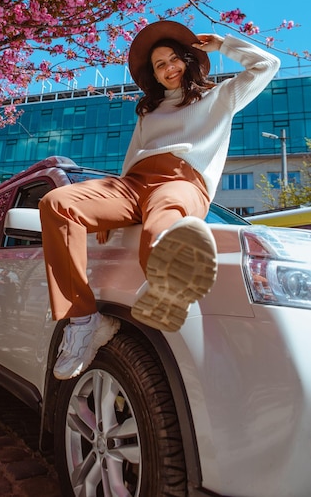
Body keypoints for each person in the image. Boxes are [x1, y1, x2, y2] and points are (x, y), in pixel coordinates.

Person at [39, 20, 280, 380]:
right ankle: (85, 319)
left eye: (173, 60)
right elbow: (133, 156)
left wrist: (223, 44)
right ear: (153, 74)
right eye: (159, 65)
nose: (168, 69)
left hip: (183, 181)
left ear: (187, 59)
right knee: (56, 204)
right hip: (134, 184)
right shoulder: (148, 112)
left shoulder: (221, 97)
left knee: (162, 222)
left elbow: (267, 66)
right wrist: (106, 213)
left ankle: (169, 285)